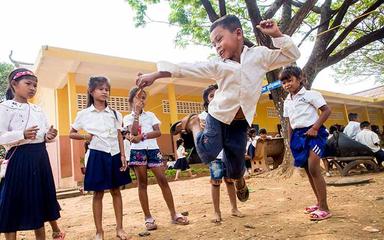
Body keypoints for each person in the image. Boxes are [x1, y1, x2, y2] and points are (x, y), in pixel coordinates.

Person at [135, 15, 300, 202]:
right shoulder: (219, 65)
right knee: (208, 153)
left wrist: (277, 34)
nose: (217, 46)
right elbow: (188, 68)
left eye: (219, 39)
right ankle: (195, 123)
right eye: (214, 43)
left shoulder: (259, 56)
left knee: (236, 166)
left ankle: (239, 180)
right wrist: (156, 74)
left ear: (238, 33)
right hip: (217, 116)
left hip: (240, 122)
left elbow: (292, 55)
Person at [0, 68, 63, 239]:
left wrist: (48, 136)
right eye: (28, 84)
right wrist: (22, 134)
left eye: (35, 85)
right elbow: (1, 136)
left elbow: (42, 134)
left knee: (39, 200)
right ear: (14, 84)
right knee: (12, 201)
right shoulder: (5, 107)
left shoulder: (37, 109)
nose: (32, 88)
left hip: (40, 158)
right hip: (19, 158)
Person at [69, 76, 132, 240]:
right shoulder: (83, 114)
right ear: (91, 91)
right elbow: (71, 133)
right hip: (97, 154)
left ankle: (120, 228)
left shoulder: (115, 113)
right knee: (98, 194)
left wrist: (123, 155)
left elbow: (119, 135)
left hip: (115, 154)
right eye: (101, 89)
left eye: (107, 89)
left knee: (116, 191)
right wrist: (85, 137)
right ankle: (99, 231)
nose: (105, 92)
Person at [123, 88, 189, 231]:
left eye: (144, 98)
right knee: (142, 183)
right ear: (131, 100)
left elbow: (158, 132)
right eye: (138, 97)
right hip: (138, 152)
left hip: (153, 150)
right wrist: (136, 115)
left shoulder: (151, 115)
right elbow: (133, 133)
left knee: (163, 180)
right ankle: (148, 217)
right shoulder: (127, 118)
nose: (142, 100)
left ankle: (173, 213)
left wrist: (143, 136)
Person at [281, 66, 332, 221]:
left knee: (314, 167)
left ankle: (325, 208)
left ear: (300, 78)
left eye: (289, 80)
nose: (287, 84)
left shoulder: (310, 95)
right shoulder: (287, 101)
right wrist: (290, 141)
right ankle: (318, 202)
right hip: (298, 136)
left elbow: (326, 110)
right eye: (283, 82)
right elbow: (289, 122)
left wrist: (315, 127)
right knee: (307, 170)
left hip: (315, 134)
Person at [199, 84, 244, 224]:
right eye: (211, 96)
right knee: (216, 182)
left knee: (230, 180)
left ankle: (234, 208)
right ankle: (216, 212)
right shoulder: (204, 116)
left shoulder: (230, 113)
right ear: (207, 102)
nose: (215, 98)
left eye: (218, 94)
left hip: (228, 153)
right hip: (215, 156)